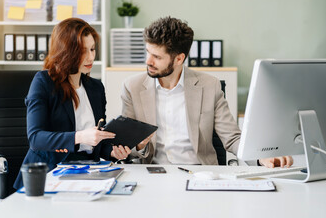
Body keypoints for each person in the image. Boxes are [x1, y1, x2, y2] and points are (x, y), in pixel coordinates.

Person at [121, 16, 293, 168]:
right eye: (148, 53)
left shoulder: (210, 86)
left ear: (179, 58)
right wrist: (139, 146)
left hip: (200, 173)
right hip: (154, 175)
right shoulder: (133, 87)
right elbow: (126, 147)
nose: (148, 61)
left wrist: (261, 157)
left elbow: (232, 138)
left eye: (157, 57)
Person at [14, 18, 131, 189]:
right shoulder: (43, 82)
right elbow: (36, 138)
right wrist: (80, 136)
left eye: (92, 49)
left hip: (88, 173)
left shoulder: (95, 87)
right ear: (66, 52)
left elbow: (96, 142)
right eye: (83, 51)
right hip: (47, 176)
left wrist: (112, 151)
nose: (91, 57)